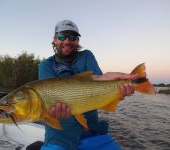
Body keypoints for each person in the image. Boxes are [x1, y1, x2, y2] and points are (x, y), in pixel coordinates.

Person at [37, 20, 138, 150]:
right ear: (55, 39)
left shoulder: (86, 55)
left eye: (72, 37)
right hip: (60, 138)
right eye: (62, 37)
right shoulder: (46, 65)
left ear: (77, 40)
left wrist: (112, 85)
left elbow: (97, 81)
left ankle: (139, 83)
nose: (67, 41)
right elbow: (48, 95)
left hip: (93, 132)